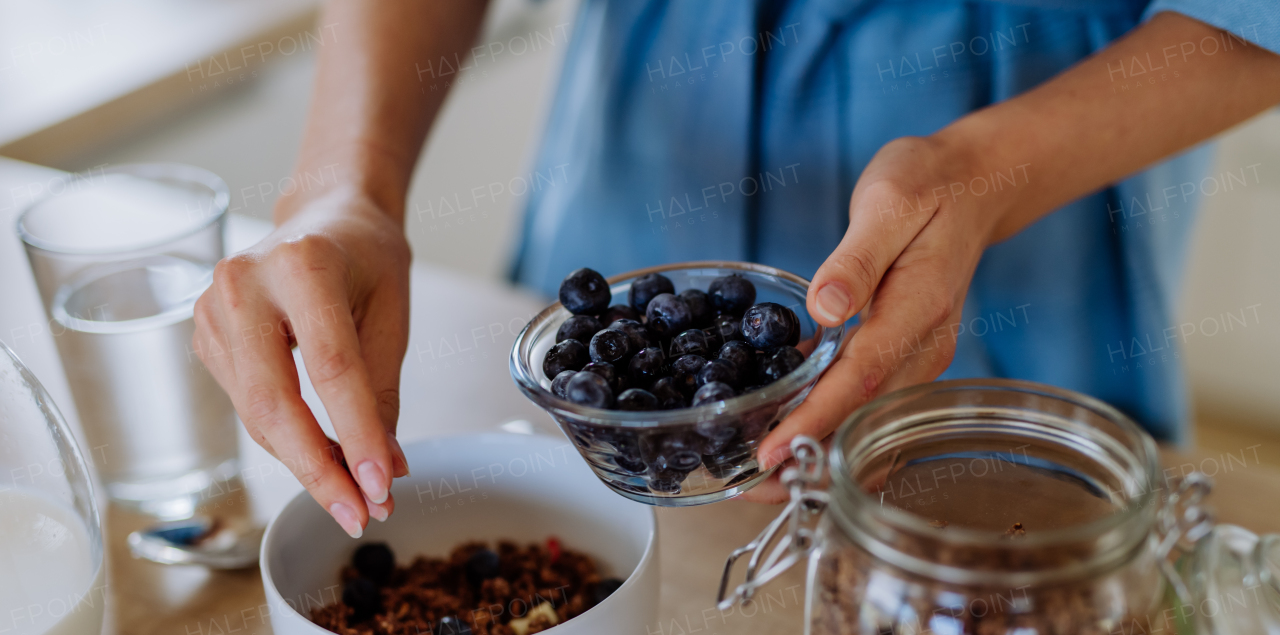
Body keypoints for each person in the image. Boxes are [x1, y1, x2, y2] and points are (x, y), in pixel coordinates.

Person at [191, 0, 1280, 537]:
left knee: (994, 570)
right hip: (643, 140)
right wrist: (345, 188)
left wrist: (985, 170)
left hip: (1025, 147)